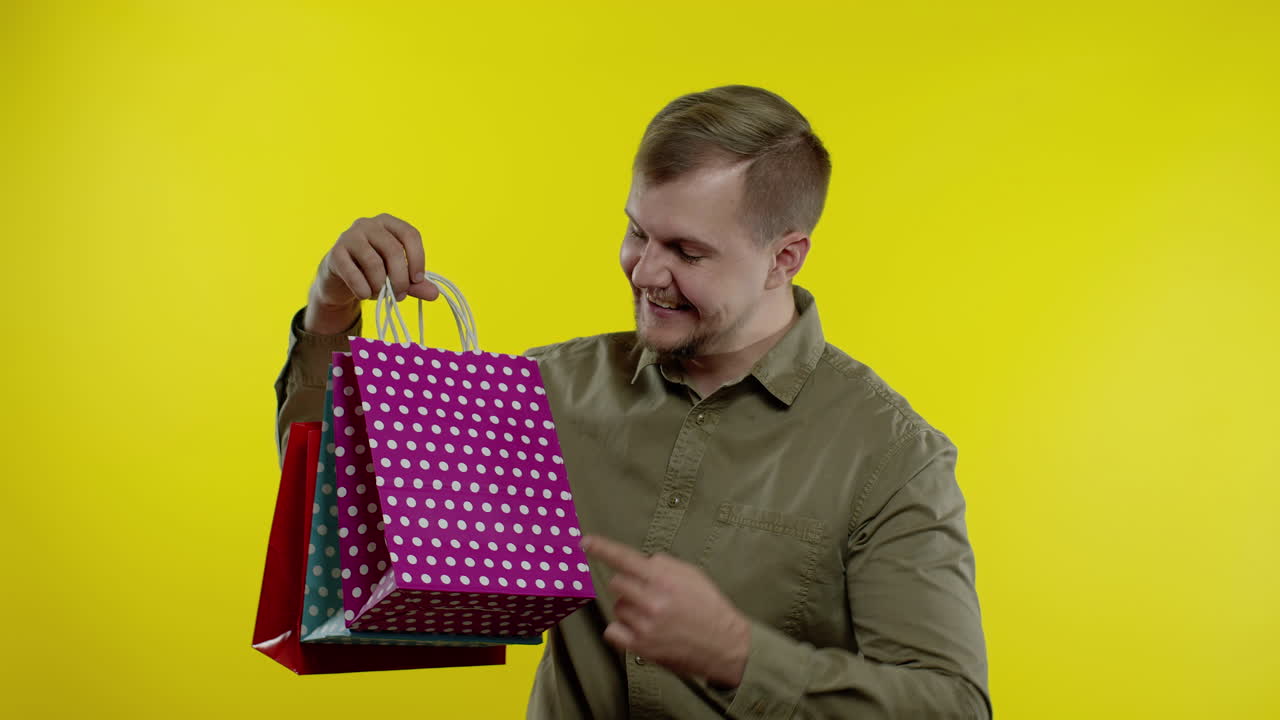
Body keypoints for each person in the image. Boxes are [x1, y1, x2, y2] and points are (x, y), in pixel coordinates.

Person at [274, 85, 990, 718]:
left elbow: (951, 705)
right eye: (637, 231)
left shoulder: (892, 457)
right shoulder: (546, 390)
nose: (645, 272)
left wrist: (742, 656)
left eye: (687, 251)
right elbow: (335, 528)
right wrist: (330, 314)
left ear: (785, 258)